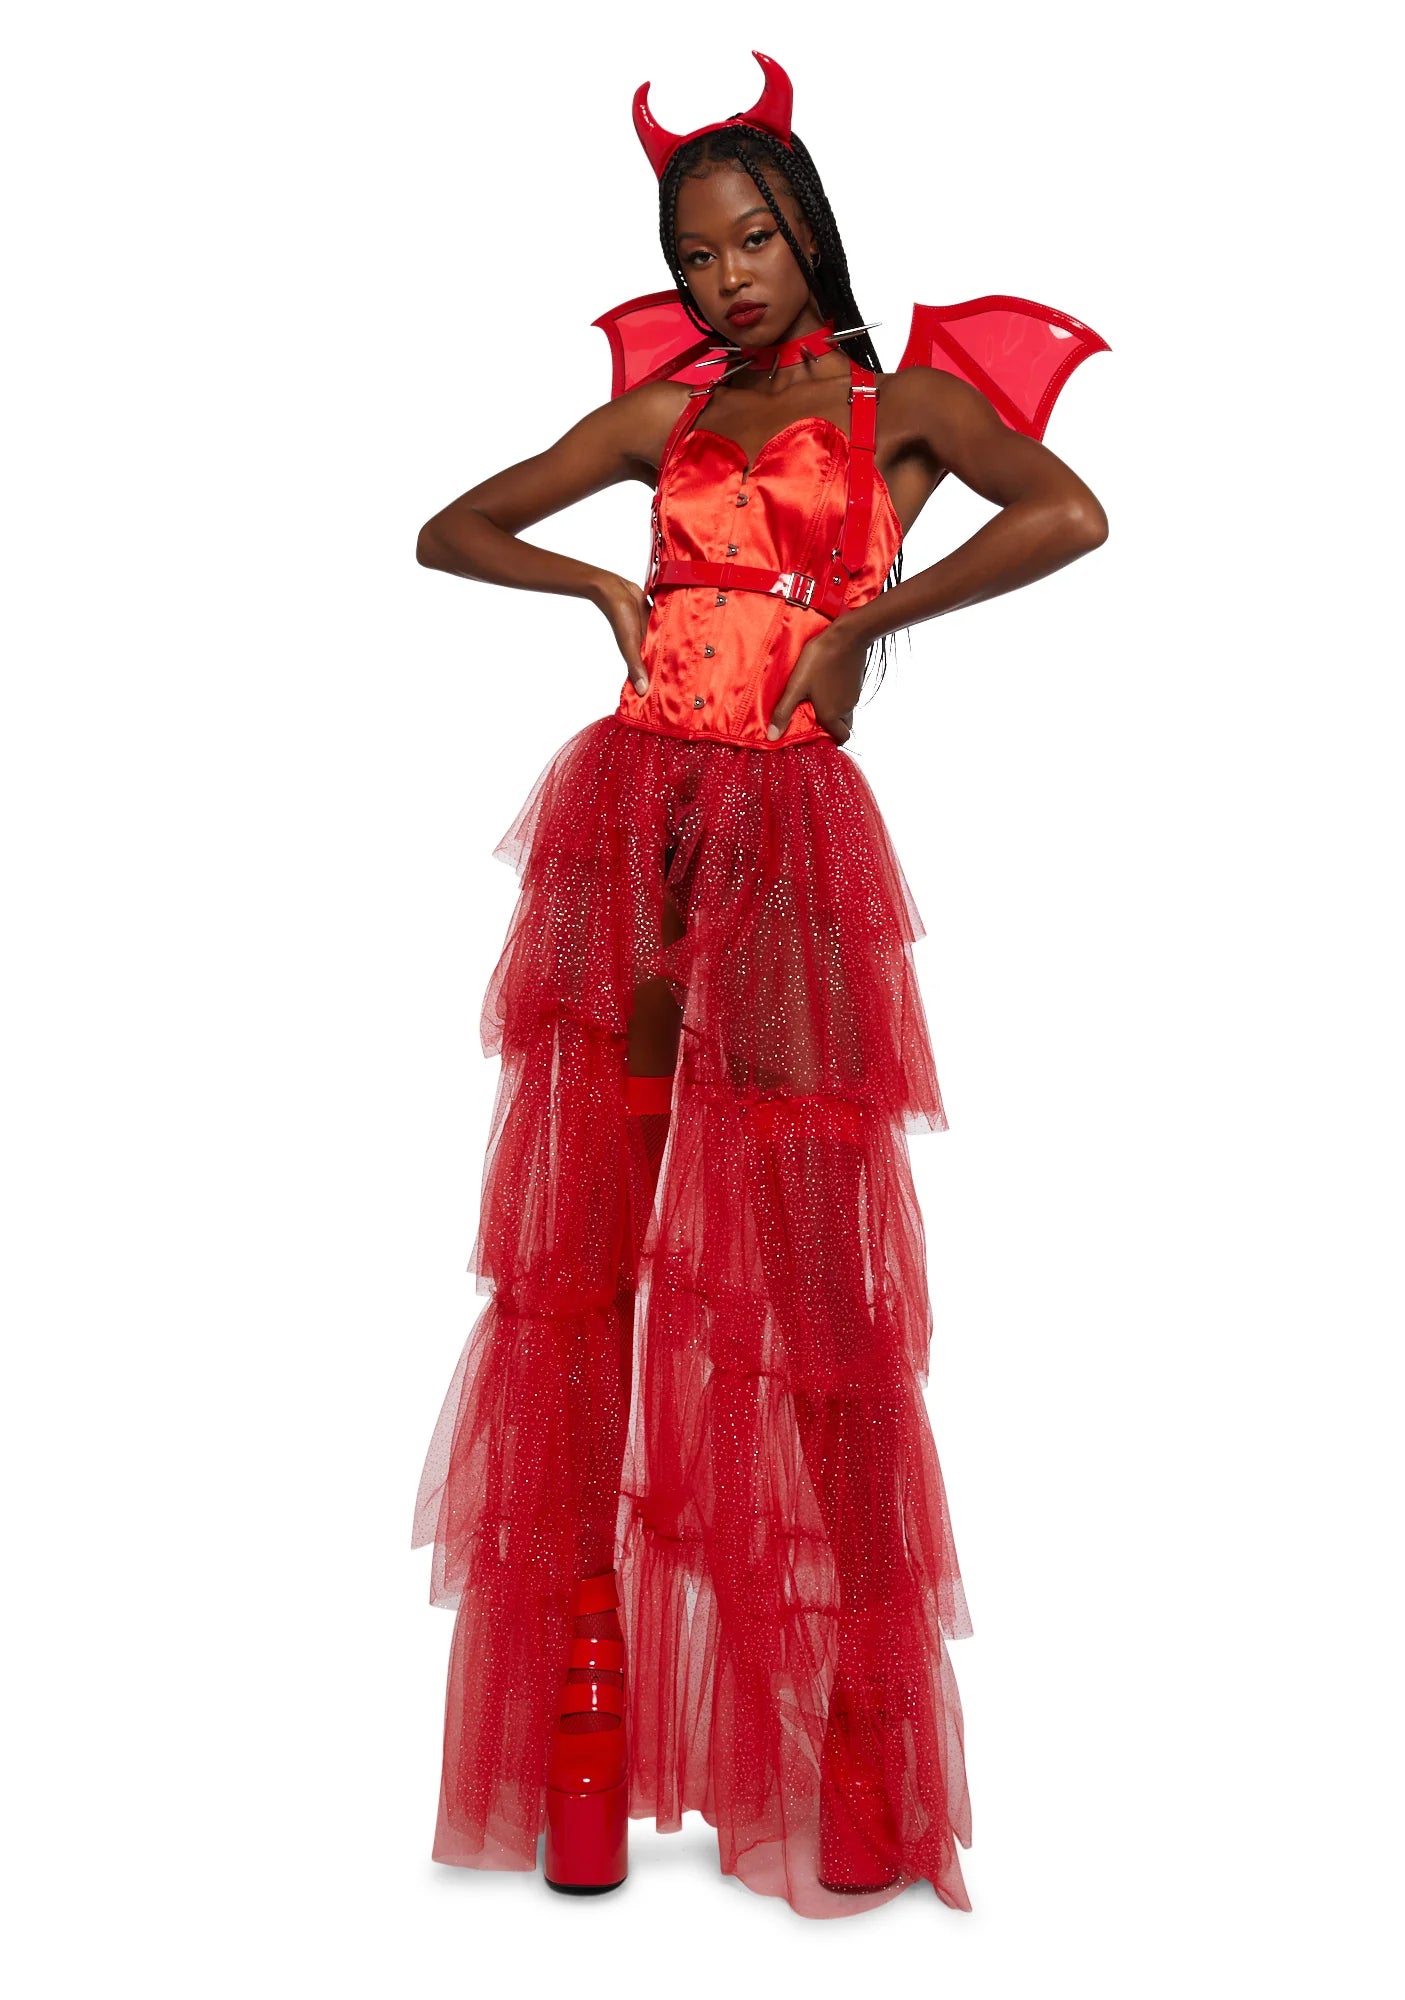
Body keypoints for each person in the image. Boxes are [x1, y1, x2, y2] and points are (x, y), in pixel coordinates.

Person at [411, 50, 1108, 1918]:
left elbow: (1067, 516)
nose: (726, 278)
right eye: (695, 254)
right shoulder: (664, 416)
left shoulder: (907, 409)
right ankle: (580, 1738)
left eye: (752, 241)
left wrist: (871, 618)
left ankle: (853, 1759)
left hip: (785, 835)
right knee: (590, 1250)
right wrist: (597, 593)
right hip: (629, 814)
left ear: (810, 233)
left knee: (805, 1259)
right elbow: (451, 526)